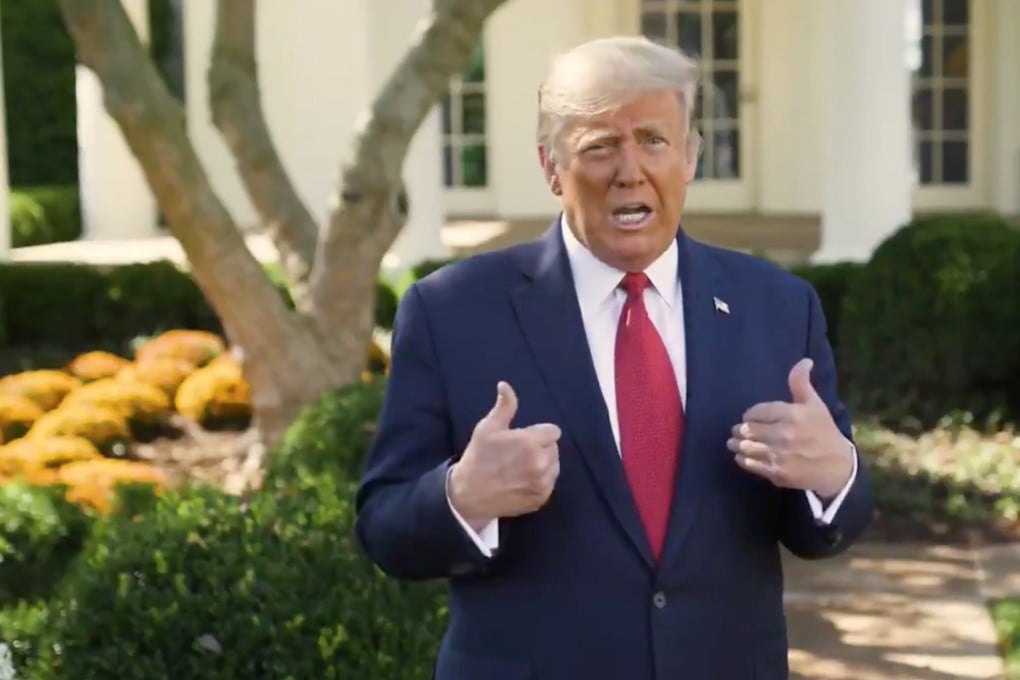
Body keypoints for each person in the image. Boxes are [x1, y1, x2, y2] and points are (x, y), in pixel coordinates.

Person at [354, 35, 873, 680]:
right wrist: (462, 496)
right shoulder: (451, 312)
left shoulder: (778, 307)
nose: (630, 170)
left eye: (653, 140)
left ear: (689, 157)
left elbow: (831, 524)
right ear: (550, 167)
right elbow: (384, 527)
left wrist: (832, 473)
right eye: (600, 145)